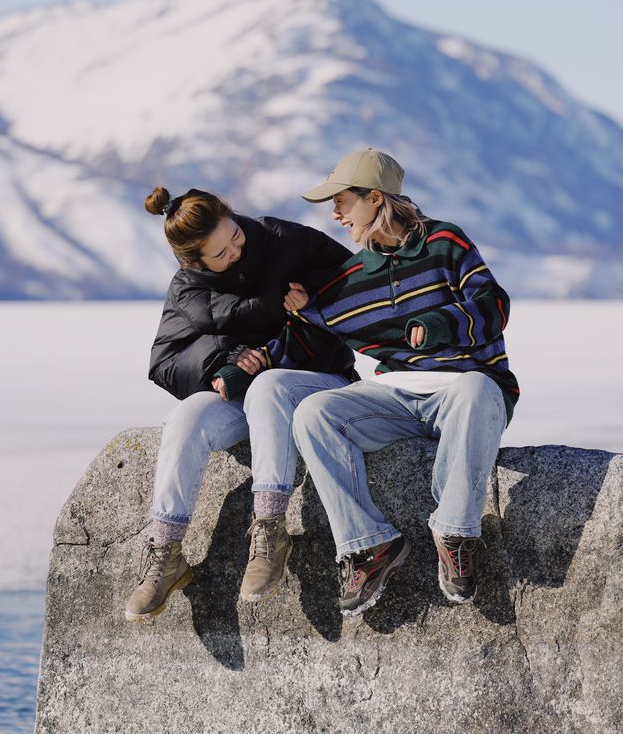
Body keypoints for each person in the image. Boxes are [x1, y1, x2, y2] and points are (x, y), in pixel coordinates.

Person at [222, 149, 519, 617]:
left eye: (342, 201)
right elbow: (301, 334)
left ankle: (454, 532)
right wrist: (239, 369)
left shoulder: (445, 242)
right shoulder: (352, 278)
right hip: (393, 397)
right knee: (314, 413)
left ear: (376, 198)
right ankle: (368, 546)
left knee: (478, 389)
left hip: (464, 389)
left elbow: (494, 305)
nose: (335, 215)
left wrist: (443, 324)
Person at [125, 186, 355, 621]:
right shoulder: (187, 288)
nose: (236, 250)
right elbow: (165, 362)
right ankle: (165, 551)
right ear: (194, 261)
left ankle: (269, 528)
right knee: (186, 415)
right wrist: (224, 360)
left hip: (317, 382)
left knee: (269, 385)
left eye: (235, 236)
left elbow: (358, 287)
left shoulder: (284, 240)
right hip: (247, 399)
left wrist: (311, 309)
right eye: (221, 252)